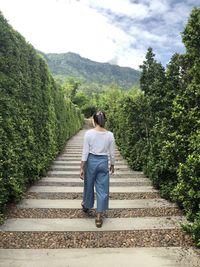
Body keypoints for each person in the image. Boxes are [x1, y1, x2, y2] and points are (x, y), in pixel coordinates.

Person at [80, 111, 115, 228]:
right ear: (104, 121)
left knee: (88, 184)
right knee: (102, 188)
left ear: (94, 121)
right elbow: (112, 153)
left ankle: (86, 205)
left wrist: (81, 167)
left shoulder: (89, 134)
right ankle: (99, 217)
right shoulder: (110, 135)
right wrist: (112, 164)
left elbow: (85, 152)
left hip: (91, 161)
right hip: (103, 162)